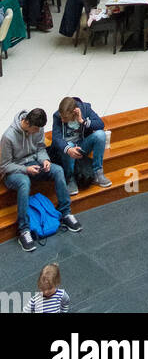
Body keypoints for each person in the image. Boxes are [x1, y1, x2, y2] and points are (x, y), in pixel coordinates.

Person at [0, 108, 81, 252]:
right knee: (24, 183)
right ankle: (24, 230)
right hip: (14, 171)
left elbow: (40, 149)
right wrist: (25, 170)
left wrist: (45, 160)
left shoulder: (38, 128)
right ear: (27, 123)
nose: (38, 132)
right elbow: (5, 166)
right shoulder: (8, 137)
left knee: (57, 170)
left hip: (33, 164)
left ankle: (65, 212)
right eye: (36, 129)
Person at [50, 96, 112, 194]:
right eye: (61, 116)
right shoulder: (57, 116)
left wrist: (83, 121)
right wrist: (69, 149)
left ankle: (98, 172)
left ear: (74, 112)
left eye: (65, 117)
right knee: (69, 144)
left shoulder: (85, 108)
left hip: (82, 145)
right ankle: (70, 178)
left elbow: (100, 124)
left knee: (100, 134)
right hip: (67, 150)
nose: (61, 119)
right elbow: (56, 138)